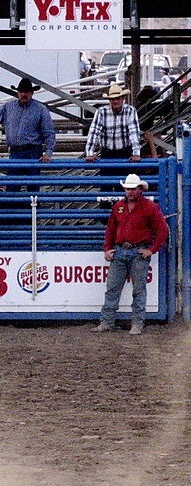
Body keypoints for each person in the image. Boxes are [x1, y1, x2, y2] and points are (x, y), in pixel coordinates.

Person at [92, 174, 169, 336]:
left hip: (137, 251)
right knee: (113, 288)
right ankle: (109, 322)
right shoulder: (119, 206)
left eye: (133, 189)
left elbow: (162, 230)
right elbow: (110, 230)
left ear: (140, 189)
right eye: (128, 189)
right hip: (122, 251)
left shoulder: (149, 207)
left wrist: (151, 249)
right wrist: (107, 248)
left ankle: (135, 323)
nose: (130, 192)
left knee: (137, 289)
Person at [85, 83, 142, 164]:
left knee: (124, 175)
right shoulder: (101, 112)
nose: (115, 101)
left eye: (118, 98)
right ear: (109, 101)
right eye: (112, 99)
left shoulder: (130, 111)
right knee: (108, 176)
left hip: (125, 153)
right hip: (107, 153)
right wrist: (90, 152)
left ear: (122, 99)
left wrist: (136, 153)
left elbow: (134, 133)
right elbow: (94, 132)